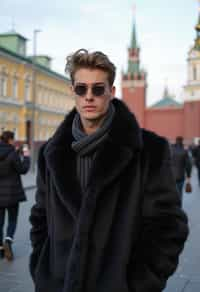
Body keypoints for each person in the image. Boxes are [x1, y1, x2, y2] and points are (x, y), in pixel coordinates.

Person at [30, 49, 189, 292]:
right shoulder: (50, 154)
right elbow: (40, 218)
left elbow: (168, 226)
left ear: (112, 92)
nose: (89, 97)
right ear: (72, 91)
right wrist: (43, 270)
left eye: (98, 88)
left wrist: (139, 283)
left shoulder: (149, 151)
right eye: (81, 88)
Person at [0, 131, 30, 260]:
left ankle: (1, 249)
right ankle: (8, 241)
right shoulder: (12, 154)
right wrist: (26, 156)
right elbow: (22, 169)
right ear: (11, 140)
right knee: (12, 220)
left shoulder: (12, 153)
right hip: (12, 194)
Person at [171, 136, 192, 201]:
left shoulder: (170, 150)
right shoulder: (184, 151)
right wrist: (188, 176)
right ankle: (178, 207)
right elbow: (188, 165)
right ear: (182, 141)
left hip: (171, 176)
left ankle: (172, 206)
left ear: (176, 141)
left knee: (172, 192)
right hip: (181, 176)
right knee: (179, 192)